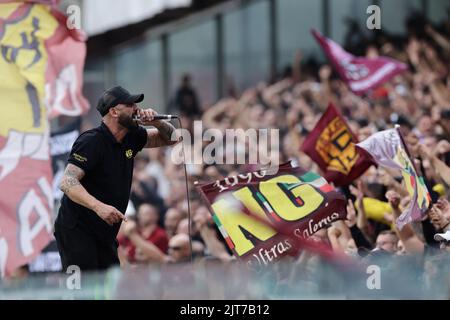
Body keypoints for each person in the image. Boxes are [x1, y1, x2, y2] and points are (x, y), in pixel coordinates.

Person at [54, 86, 180, 272]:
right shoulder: (91, 141)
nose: (136, 108)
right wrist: (99, 206)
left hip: (104, 230)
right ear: (113, 111)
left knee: (108, 284)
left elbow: (174, 138)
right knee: (81, 287)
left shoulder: (132, 136)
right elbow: (67, 182)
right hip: (77, 229)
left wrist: (157, 122)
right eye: (130, 104)